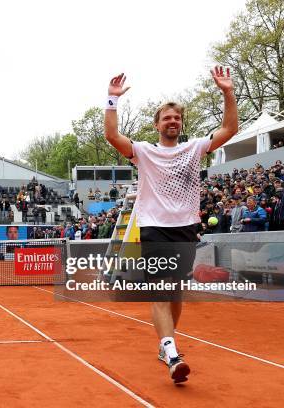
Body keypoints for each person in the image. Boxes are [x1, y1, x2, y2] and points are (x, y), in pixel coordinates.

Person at [103, 67, 237, 384]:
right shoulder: (144, 151)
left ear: (182, 123)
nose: (172, 122)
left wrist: (227, 92)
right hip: (154, 228)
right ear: (157, 124)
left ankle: (167, 344)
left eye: (176, 118)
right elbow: (112, 136)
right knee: (162, 290)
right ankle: (171, 351)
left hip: (186, 229)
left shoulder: (195, 148)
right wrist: (112, 100)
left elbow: (229, 129)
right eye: (166, 118)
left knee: (175, 292)